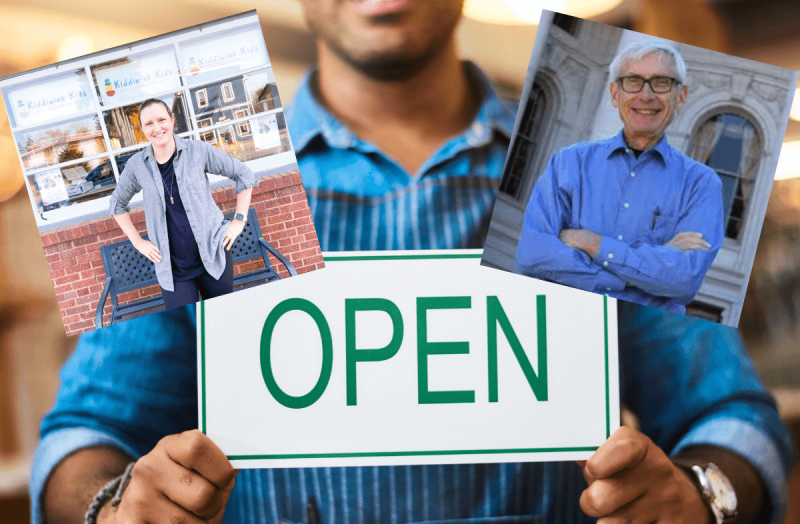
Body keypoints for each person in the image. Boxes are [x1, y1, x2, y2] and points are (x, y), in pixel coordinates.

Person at [32, 2, 791, 524]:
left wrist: (702, 495)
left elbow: (732, 415)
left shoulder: (591, 168)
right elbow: (82, 436)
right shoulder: (195, 183)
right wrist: (113, 503)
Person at [516, 41, 725, 316]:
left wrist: (593, 244)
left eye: (661, 83)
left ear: (680, 96)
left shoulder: (702, 184)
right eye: (633, 82)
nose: (646, 95)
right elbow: (532, 254)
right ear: (615, 94)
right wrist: (646, 266)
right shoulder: (568, 162)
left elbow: (683, 281)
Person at [109, 98, 257, 310]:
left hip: (213, 254)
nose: (157, 128)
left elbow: (243, 174)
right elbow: (116, 204)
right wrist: (137, 242)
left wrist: (239, 220)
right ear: (141, 129)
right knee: (188, 333)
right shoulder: (136, 166)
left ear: (171, 120)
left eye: (161, 120)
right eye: (149, 123)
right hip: (173, 270)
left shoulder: (197, 151)